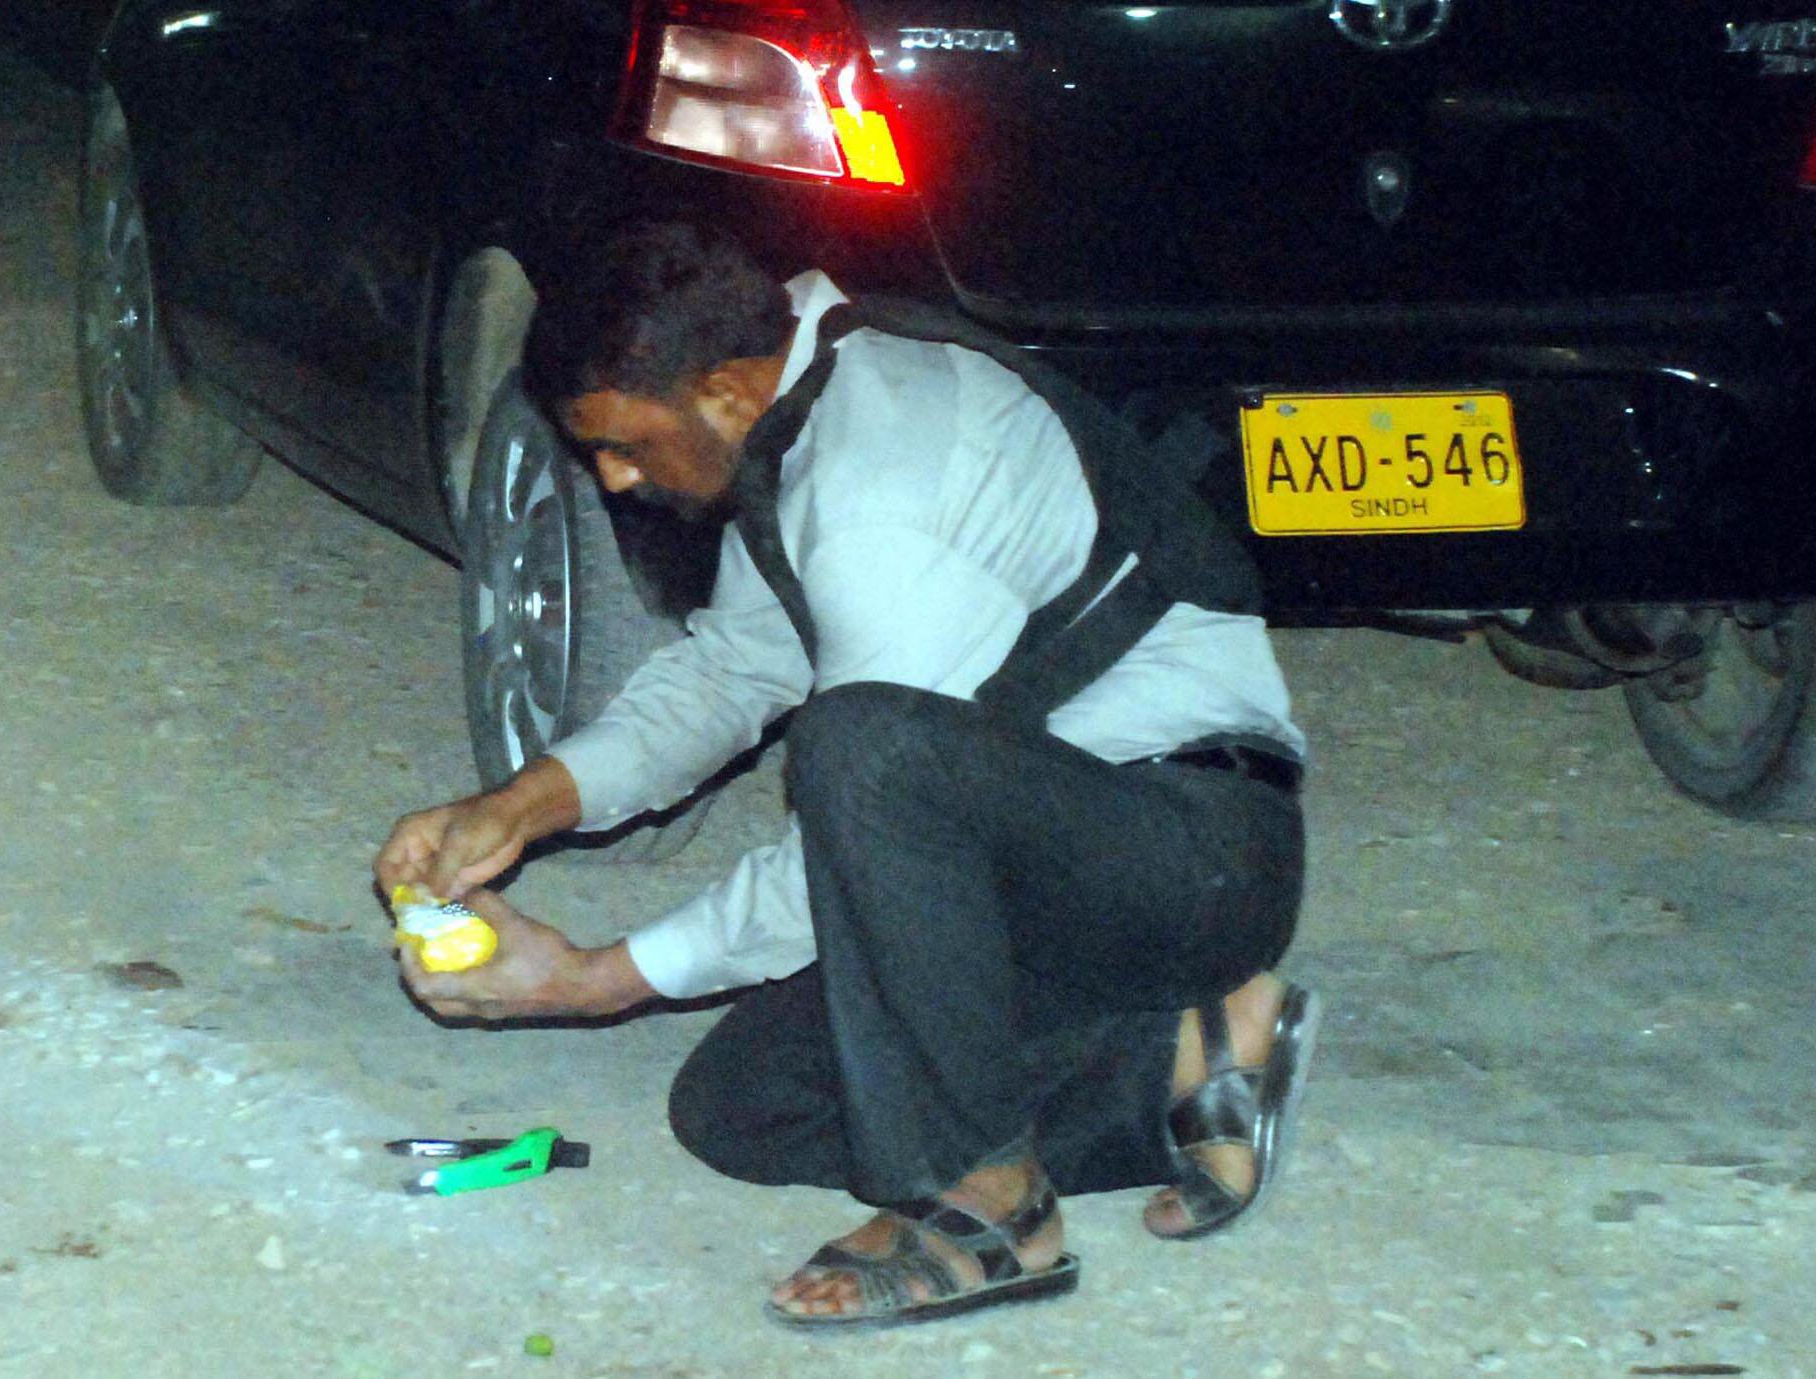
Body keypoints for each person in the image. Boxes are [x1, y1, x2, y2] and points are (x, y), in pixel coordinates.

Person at [373, 222, 1318, 1329]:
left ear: (723, 390)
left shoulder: (886, 487)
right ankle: (1177, 1053)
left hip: (1184, 850)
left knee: (856, 747)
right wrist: (514, 807)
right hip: (1043, 857)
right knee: (739, 1108)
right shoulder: (805, 411)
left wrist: (603, 975)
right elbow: (733, 671)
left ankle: (994, 1208)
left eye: (621, 444)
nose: (615, 479)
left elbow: (868, 806)